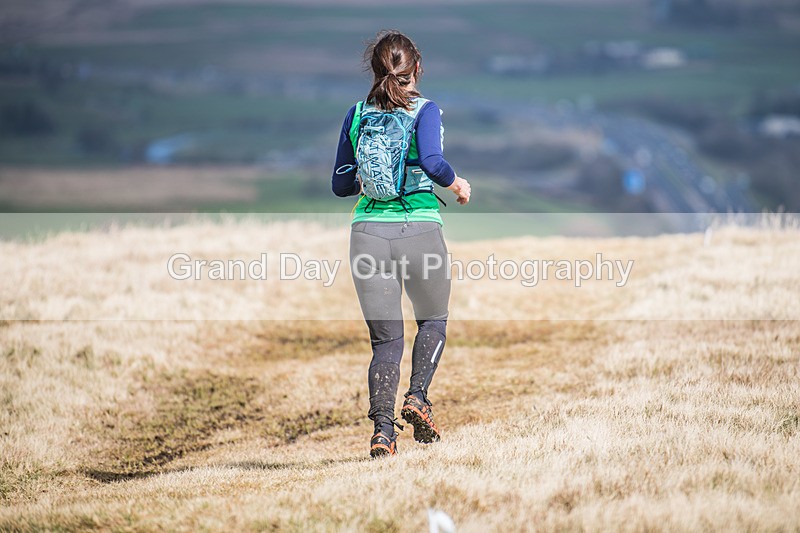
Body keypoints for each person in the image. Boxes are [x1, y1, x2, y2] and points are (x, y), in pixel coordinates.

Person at [331, 30, 471, 458]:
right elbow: (431, 160)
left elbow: (339, 185)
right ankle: (417, 398)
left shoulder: (356, 114)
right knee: (433, 319)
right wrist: (457, 183)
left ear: (375, 71)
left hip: (367, 235)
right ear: (417, 69)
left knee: (385, 342)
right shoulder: (425, 110)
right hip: (419, 230)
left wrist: (369, 178)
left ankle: (382, 434)